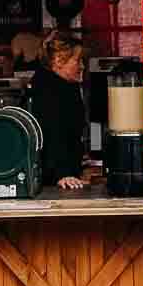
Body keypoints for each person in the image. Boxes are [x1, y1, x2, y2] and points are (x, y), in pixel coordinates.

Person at [27, 31, 87, 190]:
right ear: (59, 61)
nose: (82, 66)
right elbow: (51, 133)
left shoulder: (68, 86)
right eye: (78, 60)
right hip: (52, 180)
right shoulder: (46, 90)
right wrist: (63, 173)